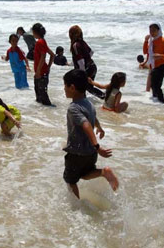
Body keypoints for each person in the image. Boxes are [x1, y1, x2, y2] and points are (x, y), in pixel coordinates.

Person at [62, 69, 119, 199]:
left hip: (77, 153)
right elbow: (92, 118)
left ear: (72, 87)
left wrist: (98, 147)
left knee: (71, 181)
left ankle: (76, 205)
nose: (64, 89)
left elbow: (86, 125)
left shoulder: (73, 107)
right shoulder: (88, 103)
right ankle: (104, 172)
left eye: (65, 85)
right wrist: (99, 127)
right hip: (90, 153)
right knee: (86, 173)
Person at [69, 25, 105, 99]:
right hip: (92, 67)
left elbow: (81, 61)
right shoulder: (82, 42)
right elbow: (91, 52)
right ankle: (105, 97)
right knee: (89, 88)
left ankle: (81, 104)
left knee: (81, 89)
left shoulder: (75, 45)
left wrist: (82, 74)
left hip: (86, 69)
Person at [143, 22, 164, 103]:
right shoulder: (150, 41)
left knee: (157, 86)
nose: (152, 33)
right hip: (152, 66)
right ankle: (156, 103)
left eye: (154, 31)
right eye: (150, 31)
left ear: (158, 30)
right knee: (153, 86)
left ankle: (162, 102)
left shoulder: (163, 40)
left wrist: (161, 56)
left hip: (161, 66)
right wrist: (146, 41)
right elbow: (145, 52)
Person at [32, 23, 55, 106]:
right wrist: (48, 67)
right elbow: (52, 54)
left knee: (42, 96)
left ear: (35, 32)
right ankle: (43, 113)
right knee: (40, 94)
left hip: (41, 72)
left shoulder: (39, 42)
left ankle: (48, 113)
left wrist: (38, 71)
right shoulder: (43, 41)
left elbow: (43, 56)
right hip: (43, 71)